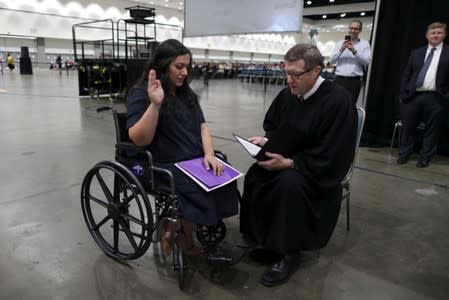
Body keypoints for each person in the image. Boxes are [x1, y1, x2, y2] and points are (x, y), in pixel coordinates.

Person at [239, 44, 358, 287]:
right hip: (287, 158)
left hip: (316, 170)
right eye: (287, 72)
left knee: (287, 185)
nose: (289, 80)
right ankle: (266, 241)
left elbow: (335, 153)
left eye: (296, 74)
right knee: (255, 174)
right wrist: (266, 141)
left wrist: (292, 163)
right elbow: (274, 127)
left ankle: (288, 252)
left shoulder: (338, 101)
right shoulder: (287, 96)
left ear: (315, 72)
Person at [126, 39, 239, 256]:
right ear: (162, 66)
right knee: (198, 187)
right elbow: (138, 139)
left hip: (193, 159)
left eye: (187, 66)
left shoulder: (186, 95)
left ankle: (178, 230)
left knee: (222, 176)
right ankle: (182, 237)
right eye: (179, 67)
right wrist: (155, 105)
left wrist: (209, 154)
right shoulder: (142, 93)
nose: (185, 72)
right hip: (163, 163)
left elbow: (203, 126)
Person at [397, 22, 449, 168]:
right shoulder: (416, 53)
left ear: (444, 35)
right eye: (433, 33)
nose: (435, 35)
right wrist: (403, 93)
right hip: (413, 96)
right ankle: (404, 154)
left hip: (436, 98)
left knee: (432, 130)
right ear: (427, 35)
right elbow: (407, 74)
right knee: (408, 127)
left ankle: (425, 157)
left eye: (439, 32)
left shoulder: (447, 52)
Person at [329, 19, 371, 102]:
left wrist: (355, 51)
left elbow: (367, 62)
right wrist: (341, 49)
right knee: (336, 103)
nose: (353, 31)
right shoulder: (339, 43)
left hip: (354, 81)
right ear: (348, 29)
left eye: (356, 29)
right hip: (339, 80)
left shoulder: (364, 44)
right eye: (351, 28)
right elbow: (332, 61)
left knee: (350, 105)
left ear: (360, 30)